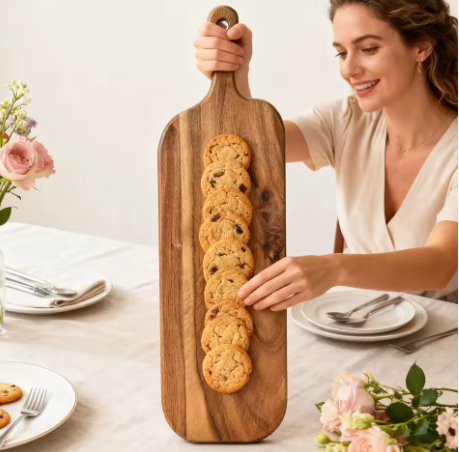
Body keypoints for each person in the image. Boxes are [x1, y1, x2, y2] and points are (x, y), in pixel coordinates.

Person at [194, 0, 458, 311]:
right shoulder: (345, 120)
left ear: (421, 48)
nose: (348, 69)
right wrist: (233, 76)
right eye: (342, 53)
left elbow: (440, 264)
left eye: (369, 49)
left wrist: (333, 268)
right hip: (355, 323)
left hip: (444, 337)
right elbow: (245, 148)